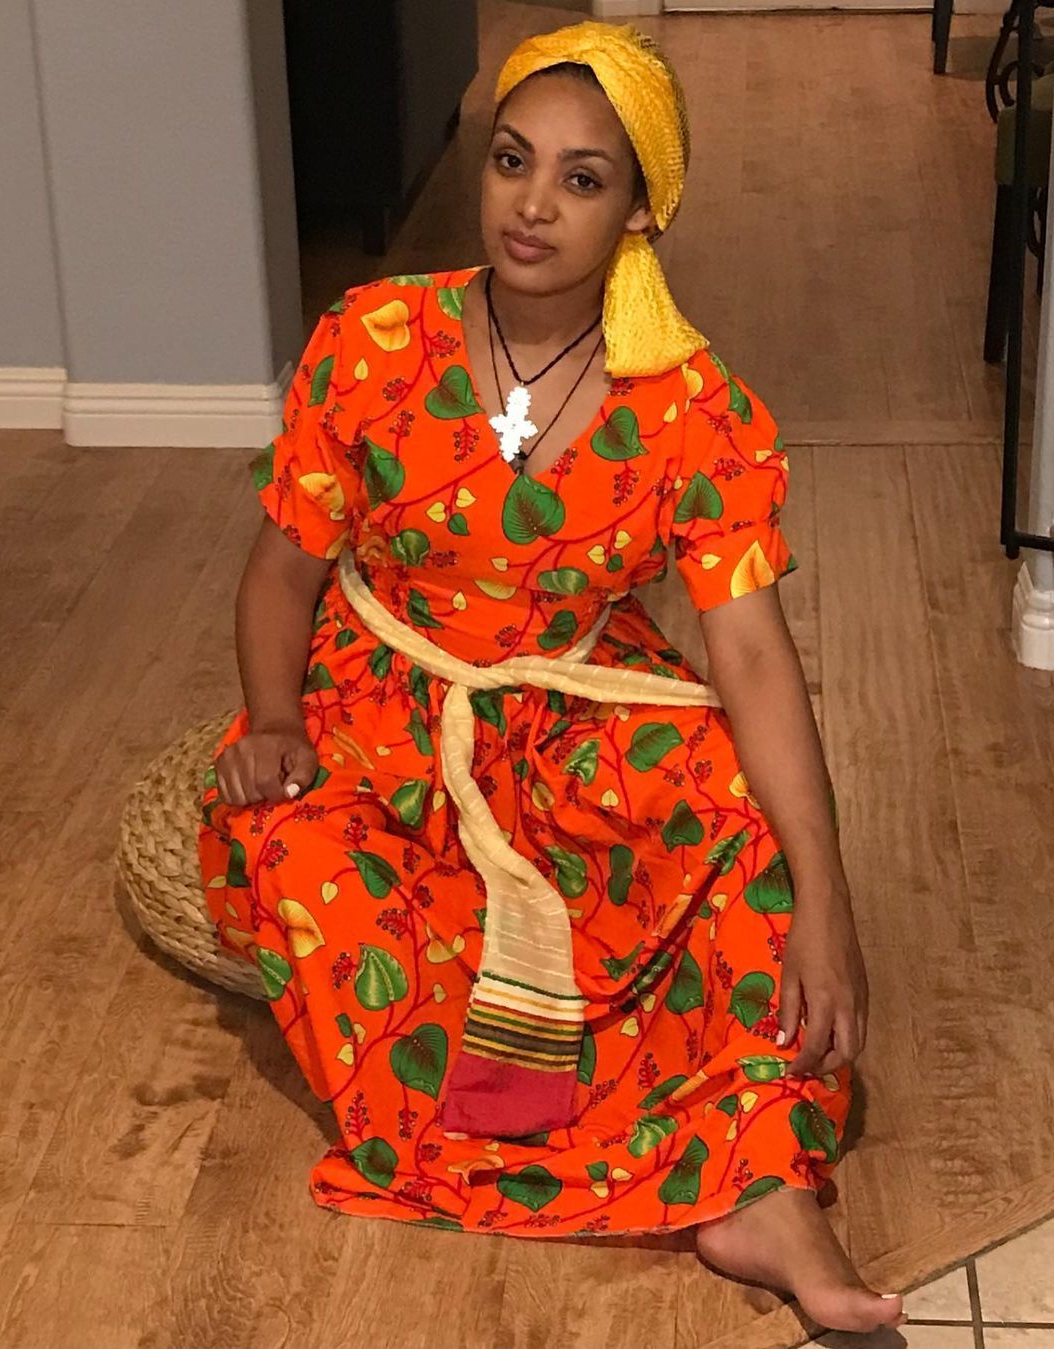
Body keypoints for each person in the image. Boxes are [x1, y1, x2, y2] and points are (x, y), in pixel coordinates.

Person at [198, 20, 907, 1334]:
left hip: (572, 708)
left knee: (741, 829)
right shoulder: (372, 339)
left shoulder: (694, 407)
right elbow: (280, 576)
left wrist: (826, 891)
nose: (533, 204)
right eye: (513, 160)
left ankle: (758, 1187)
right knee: (303, 858)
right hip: (378, 708)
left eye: (583, 179)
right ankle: (548, 1137)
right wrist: (279, 719)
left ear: (641, 211)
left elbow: (753, 655)